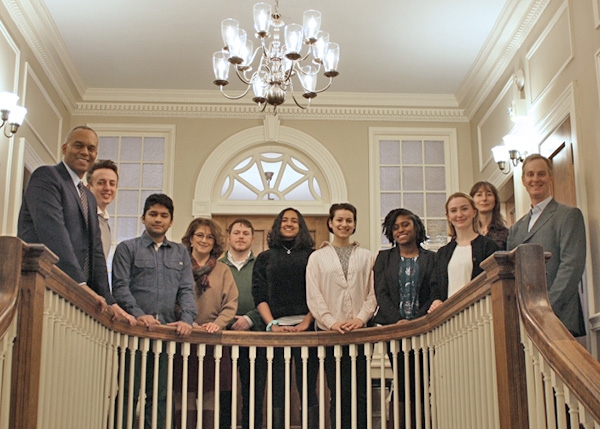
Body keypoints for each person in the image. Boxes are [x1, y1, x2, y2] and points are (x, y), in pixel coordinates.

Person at [17, 125, 134, 325]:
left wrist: (110, 300)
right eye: (78, 145)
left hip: (72, 298)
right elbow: (53, 234)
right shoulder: (46, 177)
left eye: (91, 148)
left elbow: (96, 252)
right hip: (44, 284)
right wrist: (79, 284)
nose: (85, 152)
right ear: (65, 148)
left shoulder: (88, 196)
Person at [111, 193, 197, 429]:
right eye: (153, 214)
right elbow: (119, 287)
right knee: (129, 392)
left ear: (170, 221)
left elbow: (187, 290)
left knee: (160, 395)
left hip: (167, 335)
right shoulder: (126, 248)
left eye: (164, 215)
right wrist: (139, 315)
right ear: (143, 218)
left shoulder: (180, 253)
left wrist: (187, 319)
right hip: (134, 332)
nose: (158, 219)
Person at [306, 203, 376, 429]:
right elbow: (314, 295)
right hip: (330, 334)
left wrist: (360, 319)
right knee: (337, 390)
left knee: (361, 390)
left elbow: (373, 293)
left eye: (349, 220)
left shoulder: (367, 257)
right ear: (330, 223)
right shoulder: (317, 258)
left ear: (354, 224)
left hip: (361, 333)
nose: (344, 224)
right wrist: (331, 322)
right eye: (339, 220)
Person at [252, 207, 318, 429]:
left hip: (307, 330)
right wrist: (272, 325)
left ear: (301, 227)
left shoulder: (312, 256)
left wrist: (306, 323)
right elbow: (259, 294)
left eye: (294, 221)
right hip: (275, 331)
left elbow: (318, 293)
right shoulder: (265, 257)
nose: (289, 224)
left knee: (308, 386)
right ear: (278, 225)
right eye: (284, 220)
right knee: (277, 387)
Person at [507, 154, 586, 337]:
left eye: (541, 174)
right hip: (524, 320)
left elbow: (572, 266)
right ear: (523, 180)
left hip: (559, 317)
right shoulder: (515, 229)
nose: (536, 179)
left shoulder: (568, 215)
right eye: (530, 174)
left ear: (550, 177)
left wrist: (547, 309)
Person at [373, 208, 437, 428]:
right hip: (395, 331)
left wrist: (415, 322)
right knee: (401, 382)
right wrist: (398, 322)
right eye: (396, 227)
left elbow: (435, 292)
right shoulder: (384, 258)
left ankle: (420, 423)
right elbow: (381, 293)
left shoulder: (432, 258)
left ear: (416, 226)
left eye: (405, 224)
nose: (401, 230)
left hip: (423, 331)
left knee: (421, 383)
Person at [181, 217, 238, 428]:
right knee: (183, 395)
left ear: (215, 243)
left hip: (213, 340)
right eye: (200, 235)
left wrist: (218, 324)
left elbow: (231, 304)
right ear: (191, 239)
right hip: (183, 336)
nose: (204, 240)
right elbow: (172, 298)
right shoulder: (180, 266)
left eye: (209, 237)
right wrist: (186, 321)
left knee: (210, 397)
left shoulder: (223, 271)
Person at [219, 219, 266, 429]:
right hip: (222, 336)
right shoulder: (217, 266)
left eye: (245, 233)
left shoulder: (262, 266)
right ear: (228, 237)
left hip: (254, 335)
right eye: (236, 232)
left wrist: (250, 318)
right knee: (223, 391)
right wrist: (226, 319)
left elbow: (269, 297)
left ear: (252, 239)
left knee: (254, 391)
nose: (240, 237)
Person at [428, 192, 499, 312]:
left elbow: (494, 282)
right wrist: (436, 301)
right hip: (449, 316)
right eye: (454, 211)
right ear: (448, 216)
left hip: (481, 313)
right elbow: (435, 285)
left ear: (474, 212)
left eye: (464, 209)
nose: (459, 214)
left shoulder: (489, 246)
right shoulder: (442, 253)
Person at [86, 159, 119, 259]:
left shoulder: (105, 225)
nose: (107, 188)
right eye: (101, 183)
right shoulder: (81, 216)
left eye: (112, 184)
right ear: (88, 188)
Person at [469, 181, 509, 250]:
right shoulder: (467, 232)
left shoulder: (506, 233)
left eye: (489, 194)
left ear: (495, 201)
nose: (484, 198)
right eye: (479, 195)